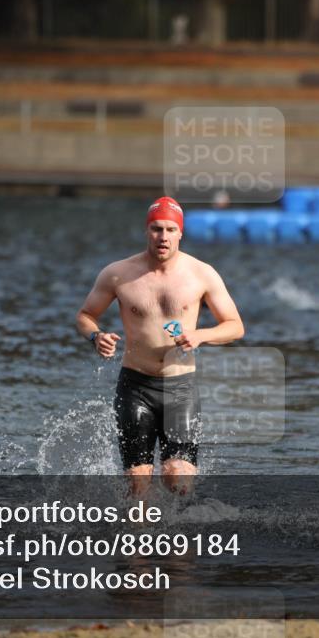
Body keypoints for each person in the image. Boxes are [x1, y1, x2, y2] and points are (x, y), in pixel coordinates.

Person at [76, 197, 245, 495]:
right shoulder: (118, 273)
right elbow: (85, 315)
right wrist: (96, 336)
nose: (163, 237)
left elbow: (235, 326)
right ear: (147, 231)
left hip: (180, 389)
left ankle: (176, 526)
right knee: (138, 485)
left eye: (170, 229)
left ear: (180, 233)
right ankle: (139, 525)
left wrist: (200, 336)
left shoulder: (202, 274)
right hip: (135, 387)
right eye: (156, 229)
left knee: (177, 481)